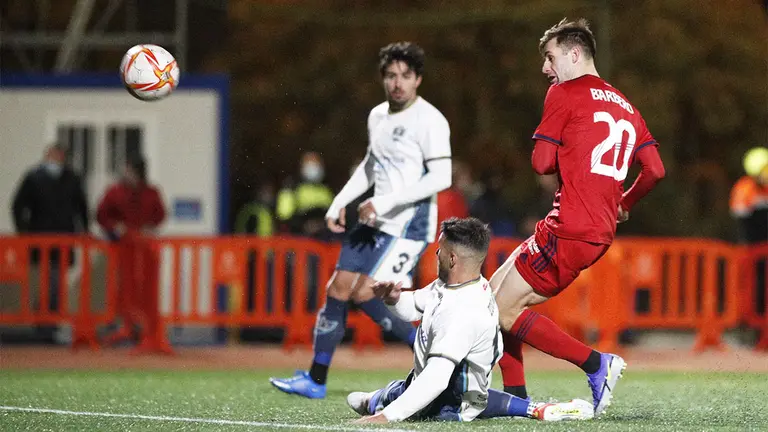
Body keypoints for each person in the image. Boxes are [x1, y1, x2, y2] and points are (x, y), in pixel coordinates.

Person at [491, 18, 666, 416]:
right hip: (588, 228)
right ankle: (515, 399)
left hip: (570, 227)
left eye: (550, 58)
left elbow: (540, 163)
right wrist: (626, 201)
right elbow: (655, 169)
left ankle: (596, 364)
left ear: (574, 54)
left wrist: (552, 139)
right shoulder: (626, 104)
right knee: (492, 300)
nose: (545, 68)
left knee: (502, 311)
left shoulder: (564, 92)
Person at [270, 41, 453, 398]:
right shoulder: (378, 116)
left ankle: (437, 359)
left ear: (418, 79)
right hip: (373, 223)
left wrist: (385, 202)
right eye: (390, 75)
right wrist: (340, 200)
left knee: (371, 294)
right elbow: (372, 165)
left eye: (405, 75)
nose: (397, 82)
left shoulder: (430, 120)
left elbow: (441, 177)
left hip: (408, 226)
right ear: (383, 78)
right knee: (337, 290)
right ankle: (316, 379)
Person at [347, 218, 593, 424]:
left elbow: (435, 380)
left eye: (440, 248)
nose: (436, 252)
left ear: (452, 259)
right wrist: (394, 298)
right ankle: (537, 409)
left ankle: (383, 399)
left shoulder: (462, 312)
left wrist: (386, 417)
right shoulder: (461, 285)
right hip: (462, 391)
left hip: (447, 402)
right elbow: (416, 306)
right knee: (363, 399)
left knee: (366, 403)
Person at [11, 143, 89, 342]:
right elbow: (18, 205)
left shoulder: (72, 178)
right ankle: (43, 325)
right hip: (39, 239)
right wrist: (24, 232)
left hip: (63, 239)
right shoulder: (34, 177)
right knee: (45, 284)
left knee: (57, 284)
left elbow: (82, 207)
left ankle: (51, 325)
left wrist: (84, 231)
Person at [97, 155, 168, 352]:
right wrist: (115, 227)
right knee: (123, 290)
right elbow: (102, 215)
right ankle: (126, 326)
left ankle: (144, 329)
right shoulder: (115, 192)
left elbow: (160, 214)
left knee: (146, 291)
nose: (125, 173)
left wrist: (149, 228)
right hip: (123, 249)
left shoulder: (151, 192)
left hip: (145, 251)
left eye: (129, 169)